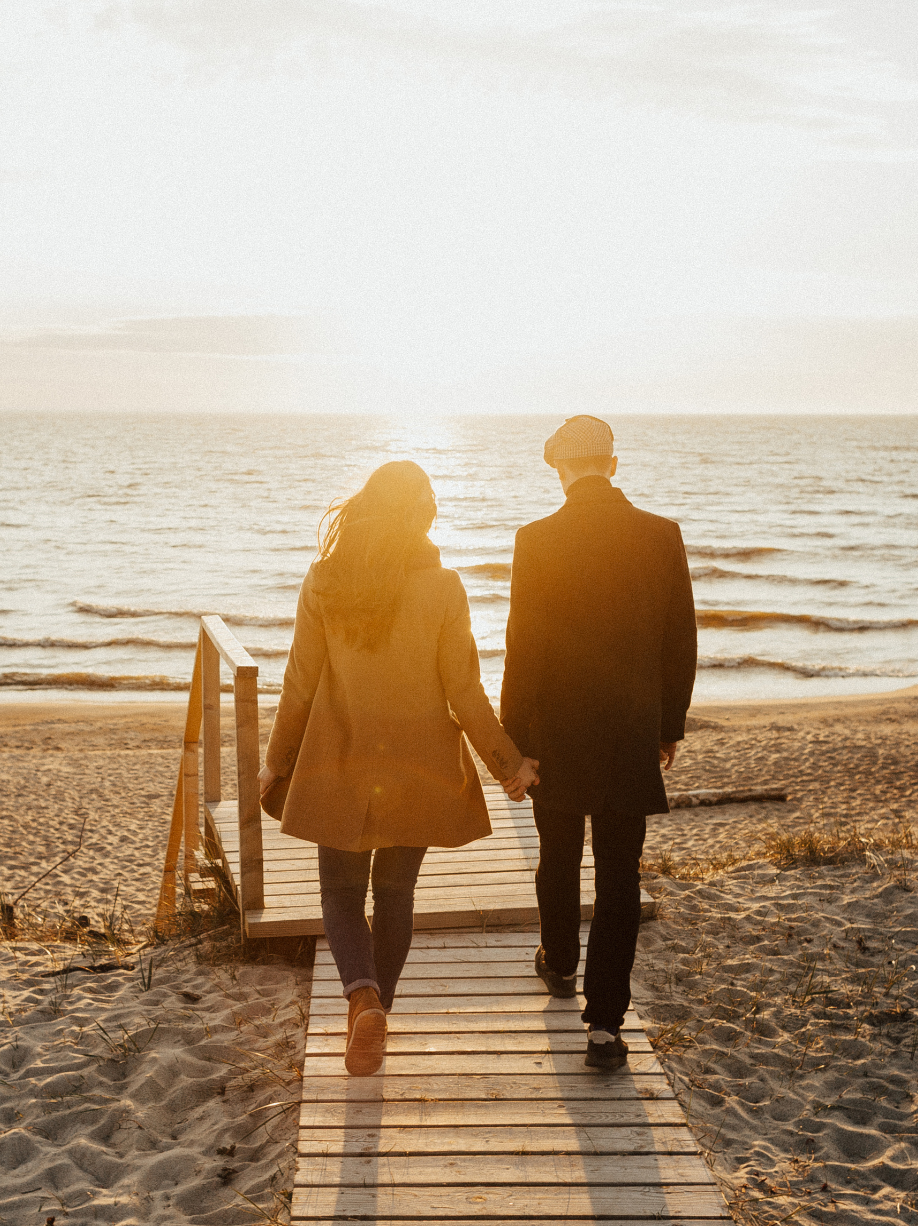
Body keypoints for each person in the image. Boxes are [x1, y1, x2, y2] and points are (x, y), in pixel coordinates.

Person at [258, 460, 538, 1077]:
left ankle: (362, 999)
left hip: (340, 758)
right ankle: (378, 1005)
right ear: (423, 518)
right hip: (421, 764)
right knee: (395, 893)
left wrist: (275, 762)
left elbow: (300, 683)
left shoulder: (325, 582)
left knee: (338, 889)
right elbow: (465, 694)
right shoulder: (445, 589)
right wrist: (508, 764)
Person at [500, 416, 696, 1071]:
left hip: (555, 736)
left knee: (557, 857)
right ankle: (605, 1027)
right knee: (618, 878)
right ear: (613, 465)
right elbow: (679, 642)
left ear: (560, 469)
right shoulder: (660, 535)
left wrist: (515, 745)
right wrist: (668, 726)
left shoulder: (536, 540)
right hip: (629, 733)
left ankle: (558, 961)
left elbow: (521, 650)